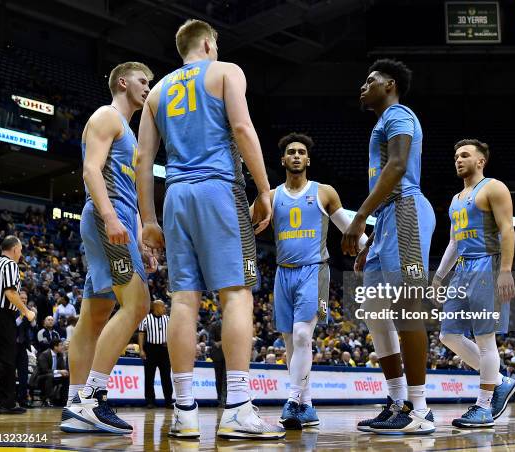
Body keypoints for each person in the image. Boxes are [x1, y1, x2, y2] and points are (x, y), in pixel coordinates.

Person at [136, 19, 284, 440]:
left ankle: (184, 411)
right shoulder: (226, 71)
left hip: (176, 196)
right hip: (219, 189)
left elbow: (144, 159)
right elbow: (241, 128)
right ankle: (237, 406)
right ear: (207, 43)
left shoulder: (158, 91)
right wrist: (264, 189)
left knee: (183, 298)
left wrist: (148, 218)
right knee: (236, 293)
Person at [61, 61, 156, 434]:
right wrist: (111, 217)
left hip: (116, 221)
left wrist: (140, 241)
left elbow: (129, 195)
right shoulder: (107, 116)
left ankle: (74, 402)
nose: (148, 88)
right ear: (123, 81)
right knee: (139, 304)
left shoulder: (129, 135)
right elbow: (90, 170)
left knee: (95, 316)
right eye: (143, 81)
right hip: (106, 218)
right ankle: (93, 397)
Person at [343, 59, 435, 434]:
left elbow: (397, 167)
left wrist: (360, 216)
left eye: (370, 81)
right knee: (376, 312)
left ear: (390, 84)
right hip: (390, 220)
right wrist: (375, 236)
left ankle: (420, 409)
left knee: (407, 309)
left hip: (407, 211)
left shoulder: (399, 114)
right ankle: (397, 402)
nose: (363, 87)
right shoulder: (383, 122)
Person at [269, 132, 367, 429]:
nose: (296, 155)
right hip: (282, 272)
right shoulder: (272, 196)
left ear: (308, 159)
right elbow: (246, 225)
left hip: (314, 269)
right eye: (291, 152)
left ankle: (293, 400)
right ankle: (307, 405)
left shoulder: (324, 192)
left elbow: (348, 229)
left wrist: (368, 252)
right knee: (290, 342)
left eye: (301, 152)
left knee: (302, 336)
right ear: (283, 159)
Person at [433, 139, 515, 427]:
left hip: (488, 265)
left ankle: (483, 406)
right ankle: (501, 381)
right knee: (448, 335)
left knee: (485, 340)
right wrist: (439, 276)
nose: (458, 159)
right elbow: (454, 241)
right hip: (462, 269)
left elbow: (507, 229)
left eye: (465, 155)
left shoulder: (494, 187)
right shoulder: (456, 199)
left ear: (480, 161)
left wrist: (505, 270)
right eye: (456, 155)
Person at [0, 236, 36, 414]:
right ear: (14, 249)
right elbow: (11, 293)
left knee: (4, 361)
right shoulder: (10, 265)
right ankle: (6, 402)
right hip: (3, 317)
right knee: (6, 363)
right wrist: (26, 312)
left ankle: (6, 403)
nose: (21, 254)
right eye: (20, 250)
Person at [138, 300, 172, 408]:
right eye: (163, 307)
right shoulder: (146, 319)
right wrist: (141, 349)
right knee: (149, 376)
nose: (165, 308)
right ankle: (150, 401)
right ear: (156, 307)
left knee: (166, 376)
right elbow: (141, 334)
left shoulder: (168, 319)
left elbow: (173, 332)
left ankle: (168, 401)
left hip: (164, 350)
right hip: (150, 349)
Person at [16, 290, 36, 407]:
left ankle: (23, 401)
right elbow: (13, 325)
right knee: (9, 374)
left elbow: (34, 328)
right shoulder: (12, 309)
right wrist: (21, 315)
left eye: (25, 298)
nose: (24, 300)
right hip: (11, 346)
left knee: (23, 374)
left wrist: (33, 318)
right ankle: (9, 400)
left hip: (23, 346)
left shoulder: (28, 311)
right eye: (22, 298)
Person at [34, 338, 69, 406]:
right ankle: (48, 399)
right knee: (50, 376)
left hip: (54, 375)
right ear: (55, 347)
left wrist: (64, 372)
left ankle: (63, 400)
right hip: (41, 376)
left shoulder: (60, 355)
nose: (62, 347)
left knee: (67, 377)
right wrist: (59, 371)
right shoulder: (44, 354)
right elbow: (44, 370)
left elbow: (63, 368)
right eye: (61, 345)